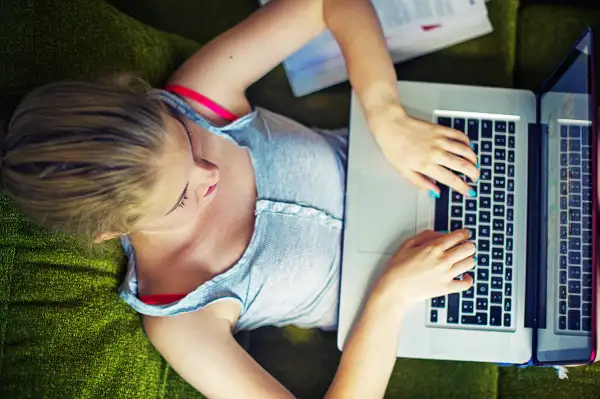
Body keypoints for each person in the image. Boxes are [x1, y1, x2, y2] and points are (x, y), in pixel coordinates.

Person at [0, 0, 481, 397]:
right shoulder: (182, 317)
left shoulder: (198, 98)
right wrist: (391, 298)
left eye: (187, 143)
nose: (208, 172)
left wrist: (386, 115)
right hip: (429, 289)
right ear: (112, 230)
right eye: (181, 198)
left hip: (419, 160)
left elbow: (327, 4)